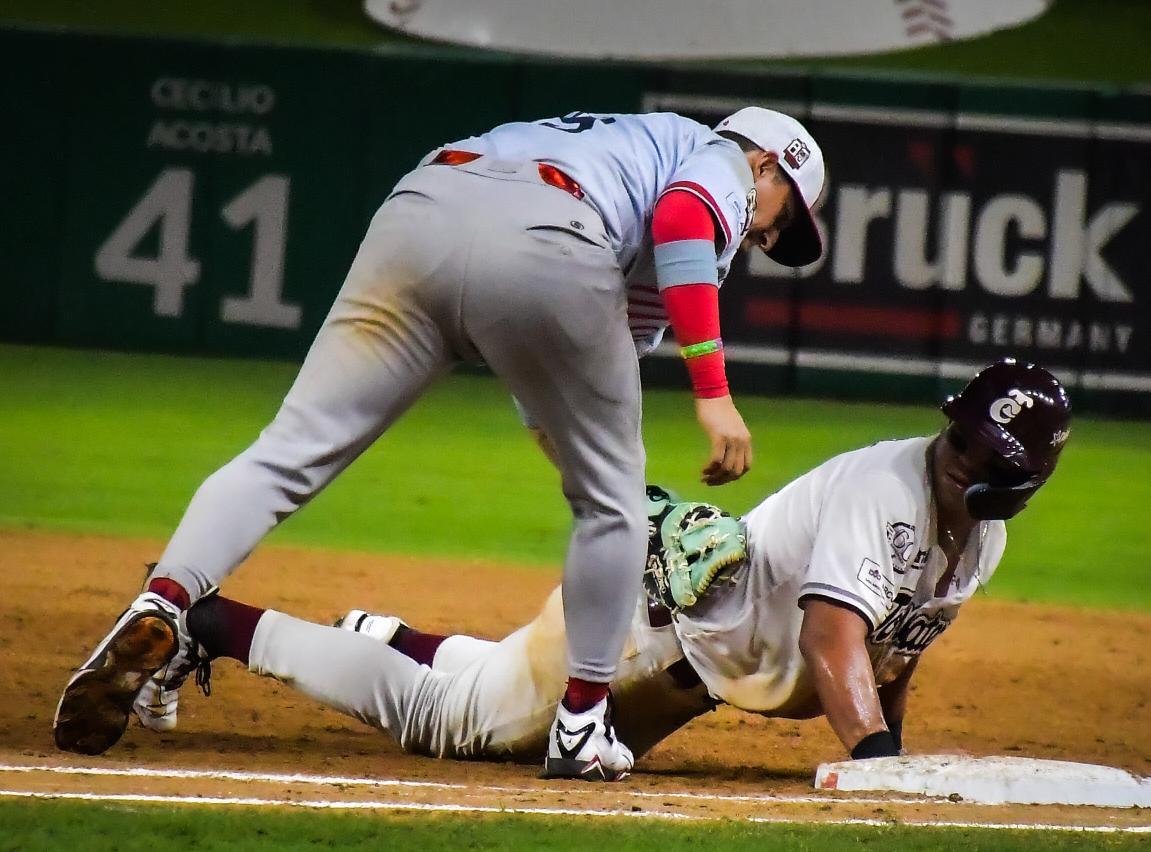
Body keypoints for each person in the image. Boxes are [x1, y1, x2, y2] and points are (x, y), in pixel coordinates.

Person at [52, 107, 828, 782]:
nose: (767, 235)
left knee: (288, 450)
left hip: (425, 205)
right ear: (767, 164)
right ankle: (582, 726)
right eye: (783, 215)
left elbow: (601, 344)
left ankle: (165, 601)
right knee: (614, 506)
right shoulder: (721, 161)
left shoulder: (628, 142)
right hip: (553, 232)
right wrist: (715, 398)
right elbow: (687, 222)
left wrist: (567, 435)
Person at [93, 359, 1072, 770]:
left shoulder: (977, 539)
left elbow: (896, 648)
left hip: (673, 668)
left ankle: (384, 636)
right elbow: (833, 636)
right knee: (449, 726)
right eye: (957, 437)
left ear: (1014, 485)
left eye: (978, 458)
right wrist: (873, 766)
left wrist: (887, 752)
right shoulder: (885, 489)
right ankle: (207, 624)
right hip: (647, 630)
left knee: (488, 683)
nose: (952, 455)